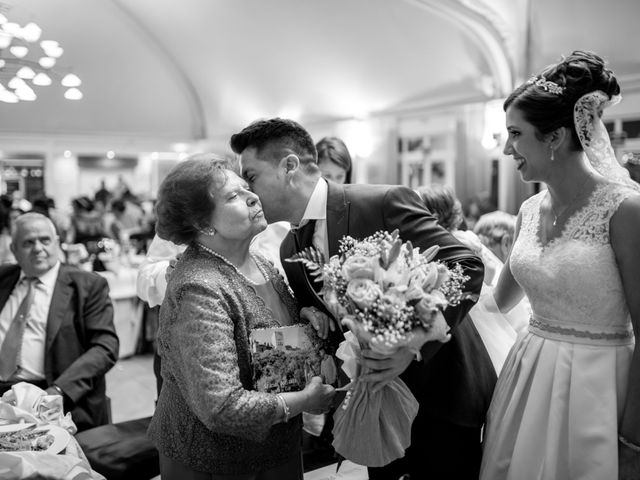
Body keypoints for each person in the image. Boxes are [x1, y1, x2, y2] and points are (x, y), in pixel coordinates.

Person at [231, 117, 495, 480]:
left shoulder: (382, 202)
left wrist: (415, 340)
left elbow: (466, 265)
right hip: (374, 405)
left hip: (441, 394)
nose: (247, 192)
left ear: (289, 166)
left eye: (251, 177)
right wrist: (311, 322)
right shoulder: (289, 247)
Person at [479, 51, 640, 480]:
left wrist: (633, 437)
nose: (508, 147)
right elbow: (497, 301)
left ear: (552, 138)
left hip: (599, 385)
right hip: (528, 376)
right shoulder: (529, 210)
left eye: (516, 133)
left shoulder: (626, 210)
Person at [146, 157, 335, 479]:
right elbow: (221, 406)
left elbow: (261, 334)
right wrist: (304, 400)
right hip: (214, 459)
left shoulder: (260, 262)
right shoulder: (199, 287)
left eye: (247, 189)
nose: (253, 197)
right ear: (203, 223)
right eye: (233, 196)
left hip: (274, 447)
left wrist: (303, 318)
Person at [0, 213, 119, 432]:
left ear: (57, 243)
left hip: (55, 397)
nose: (38, 248)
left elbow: (105, 348)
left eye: (45, 240)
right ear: (14, 249)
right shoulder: (4, 278)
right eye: (28, 242)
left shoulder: (87, 286)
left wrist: (57, 391)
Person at [416, 185, 526, 377]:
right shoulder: (465, 239)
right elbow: (490, 270)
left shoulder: (450, 245)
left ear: (430, 214)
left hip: (463, 319)